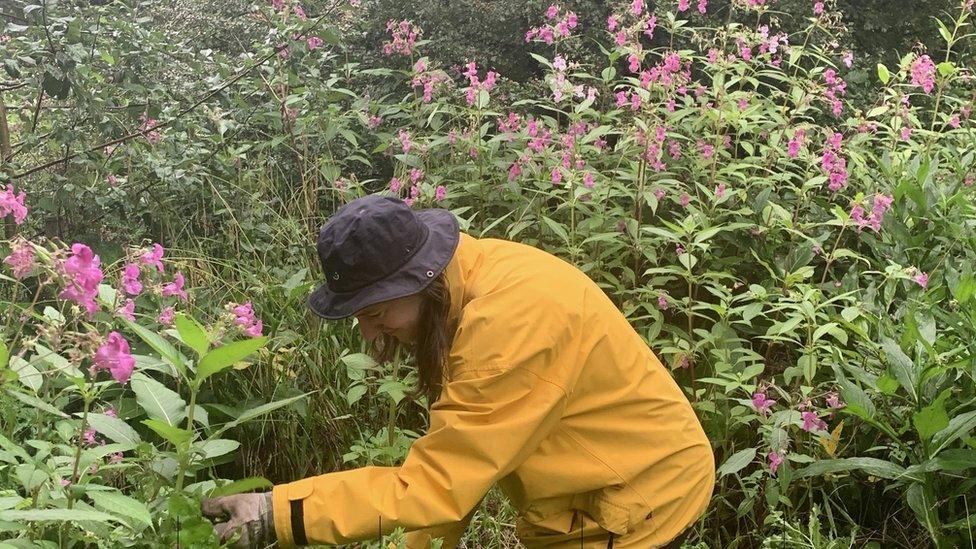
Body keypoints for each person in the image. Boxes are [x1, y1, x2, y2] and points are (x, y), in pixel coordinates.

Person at [202, 194, 715, 548]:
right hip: (581, 492)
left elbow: (439, 485)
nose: (369, 333)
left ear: (419, 281)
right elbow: (457, 464)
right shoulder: (461, 290)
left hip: (638, 495)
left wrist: (279, 514)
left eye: (377, 313)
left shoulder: (510, 323)